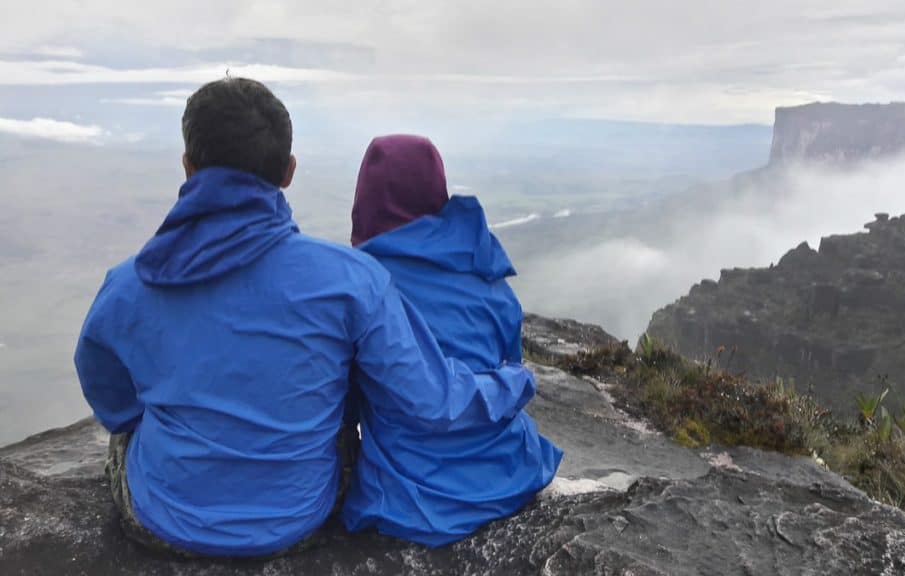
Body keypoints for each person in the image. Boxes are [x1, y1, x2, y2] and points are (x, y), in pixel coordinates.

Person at [74, 78, 539, 557]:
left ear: (188, 165)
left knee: (130, 434)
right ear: (289, 170)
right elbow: (425, 399)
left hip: (166, 519)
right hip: (298, 520)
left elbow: (112, 401)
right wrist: (515, 382)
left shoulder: (127, 284)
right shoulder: (351, 280)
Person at [343, 135, 562, 547]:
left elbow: (347, 397)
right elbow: (507, 362)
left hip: (409, 501)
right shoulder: (485, 270)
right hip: (510, 474)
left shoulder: (359, 285)